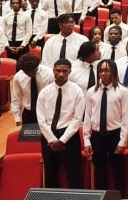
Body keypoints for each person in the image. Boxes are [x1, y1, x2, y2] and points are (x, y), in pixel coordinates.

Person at [36, 58, 85, 188]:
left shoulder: (77, 91)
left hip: (69, 136)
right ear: (53, 71)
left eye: (64, 71)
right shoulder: (44, 92)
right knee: (51, 173)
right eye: (58, 71)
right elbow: (41, 119)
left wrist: (62, 140)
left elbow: (77, 119)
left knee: (74, 173)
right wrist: (52, 139)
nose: (61, 74)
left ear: (70, 72)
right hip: (48, 136)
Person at [83, 59, 128, 191]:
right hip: (97, 136)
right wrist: (86, 139)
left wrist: (122, 141)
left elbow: (125, 117)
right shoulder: (92, 91)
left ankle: (121, 196)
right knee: (99, 169)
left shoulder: (122, 91)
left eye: (107, 70)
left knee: (117, 169)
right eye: (101, 71)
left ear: (113, 71)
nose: (103, 73)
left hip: (115, 134)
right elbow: (88, 116)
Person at [11, 53, 54, 125]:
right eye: (27, 72)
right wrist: (17, 118)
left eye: (33, 71)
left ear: (38, 65)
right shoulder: (18, 77)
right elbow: (16, 98)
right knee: (29, 135)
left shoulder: (49, 73)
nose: (30, 74)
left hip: (47, 112)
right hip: (29, 114)